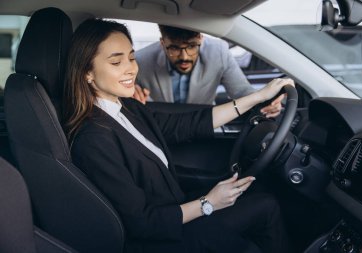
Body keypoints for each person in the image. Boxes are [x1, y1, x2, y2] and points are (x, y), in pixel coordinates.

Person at [64, 18, 293, 253]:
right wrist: (208, 203)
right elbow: (142, 222)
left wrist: (257, 97)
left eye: (132, 57)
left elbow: (187, 124)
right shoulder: (93, 139)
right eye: (116, 62)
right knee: (263, 214)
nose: (131, 68)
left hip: (175, 209)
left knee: (261, 198)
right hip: (162, 239)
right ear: (87, 73)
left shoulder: (129, 108)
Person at [134, 25, 283, 118]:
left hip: (204, 125)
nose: (184, 57)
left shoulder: (219, 52)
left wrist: (267, 101)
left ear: (201, 39)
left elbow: (242, 92)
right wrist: (129, 92)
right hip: (164, 130)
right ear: (162, 43)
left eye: (192, 46)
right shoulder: (141, 60)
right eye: (174, 48)